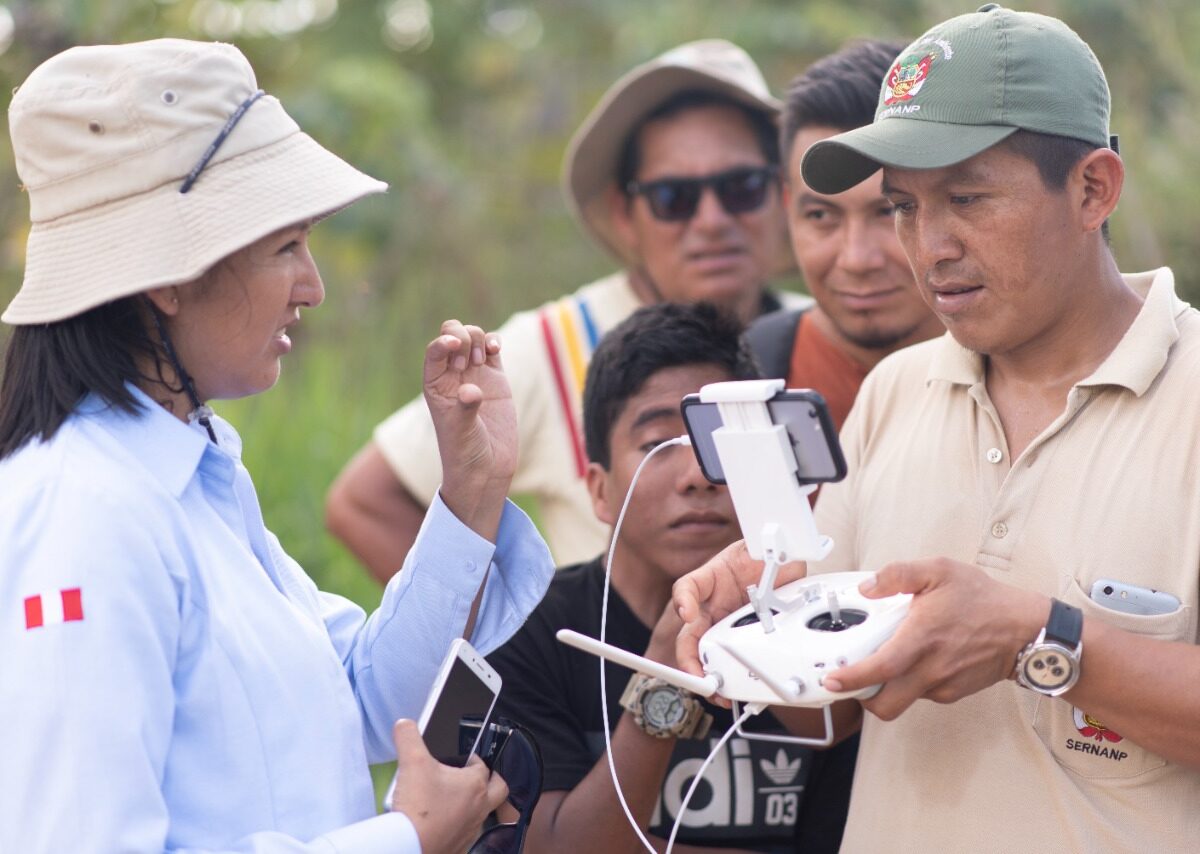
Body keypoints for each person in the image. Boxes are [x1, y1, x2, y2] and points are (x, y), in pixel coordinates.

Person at [0, 39, 553, 853]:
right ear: (169, 274)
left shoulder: (194, 475)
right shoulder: (85, 513)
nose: (313, 287)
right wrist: (405, 840)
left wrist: (472, 490)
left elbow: (361, 695)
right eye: (285, 246)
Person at [673, 6, 1200, 851]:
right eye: (905, 207)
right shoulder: (896, 390)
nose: (929, 246)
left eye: (967, 198)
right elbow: (829, 714)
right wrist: (749, 621)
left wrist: (1037, 639)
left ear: (1093, 189)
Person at [326, 39, 804, 582]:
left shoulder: (818, 334)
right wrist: (513, 651)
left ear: (781, 194)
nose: (713, 220)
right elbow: (366, 502)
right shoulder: (553, 344)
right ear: (626, 213)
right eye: (675, 197)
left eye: (740, 187)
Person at [486, 302, 849, 853]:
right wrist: (663, 671)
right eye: (659, 444)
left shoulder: (821, 632)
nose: (699, 476)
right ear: (600, 490)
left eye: (721, 445)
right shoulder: (529, 628)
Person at [745, 39, 943, 429]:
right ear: (787, 207)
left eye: (890, 210)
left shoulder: (1026, 381)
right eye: (821, 215)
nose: (856, 259)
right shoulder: (742, 379)